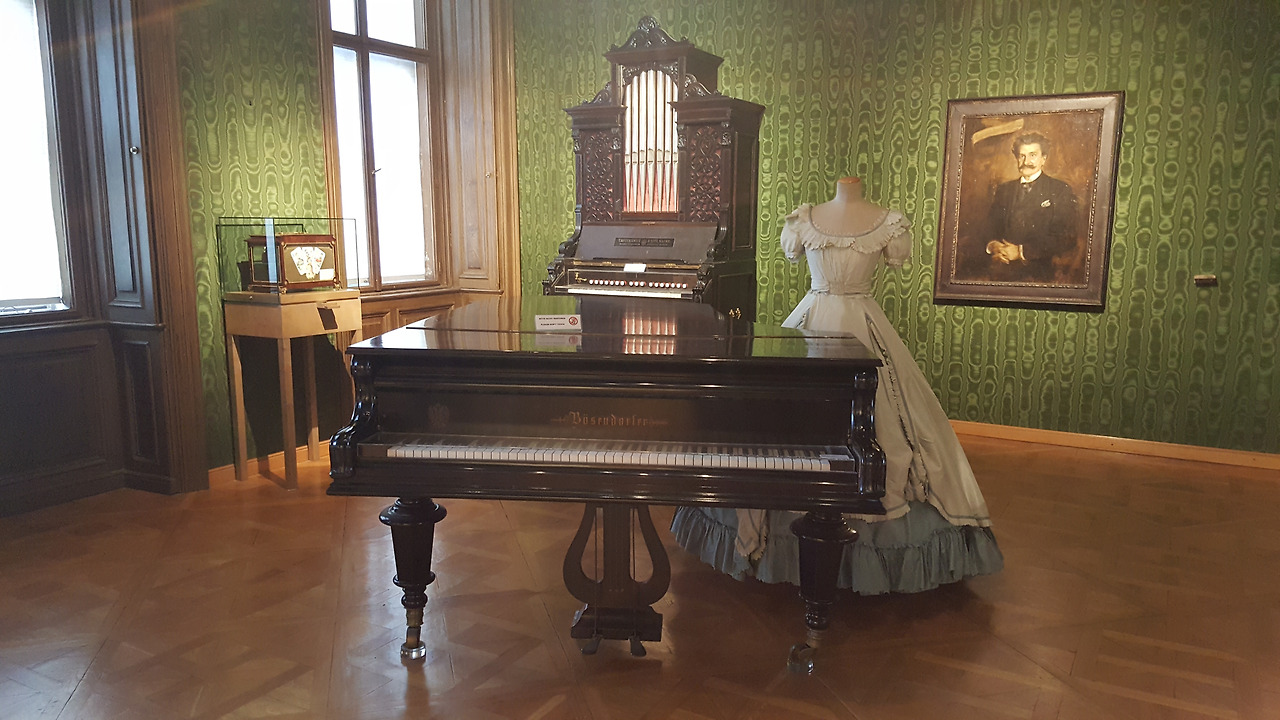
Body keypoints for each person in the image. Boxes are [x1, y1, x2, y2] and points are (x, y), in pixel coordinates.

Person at [670, 177, 1003, 594]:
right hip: (811, 324)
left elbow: (894, 257)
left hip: (863, 327)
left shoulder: (888, 222)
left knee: (885, 422)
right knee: (777, 425)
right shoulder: (804, 219)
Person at [981, 132, 1080, 282]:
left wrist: (1021, 251)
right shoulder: (1004, 189)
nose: (1026, 161)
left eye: (1032, 155)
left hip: (1040, 274)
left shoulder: (1060, 189)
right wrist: (994, 246)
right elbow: (990, 227)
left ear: (1043, 159)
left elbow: (1067, 238)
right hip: (1000, 271)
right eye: (1022, 156)